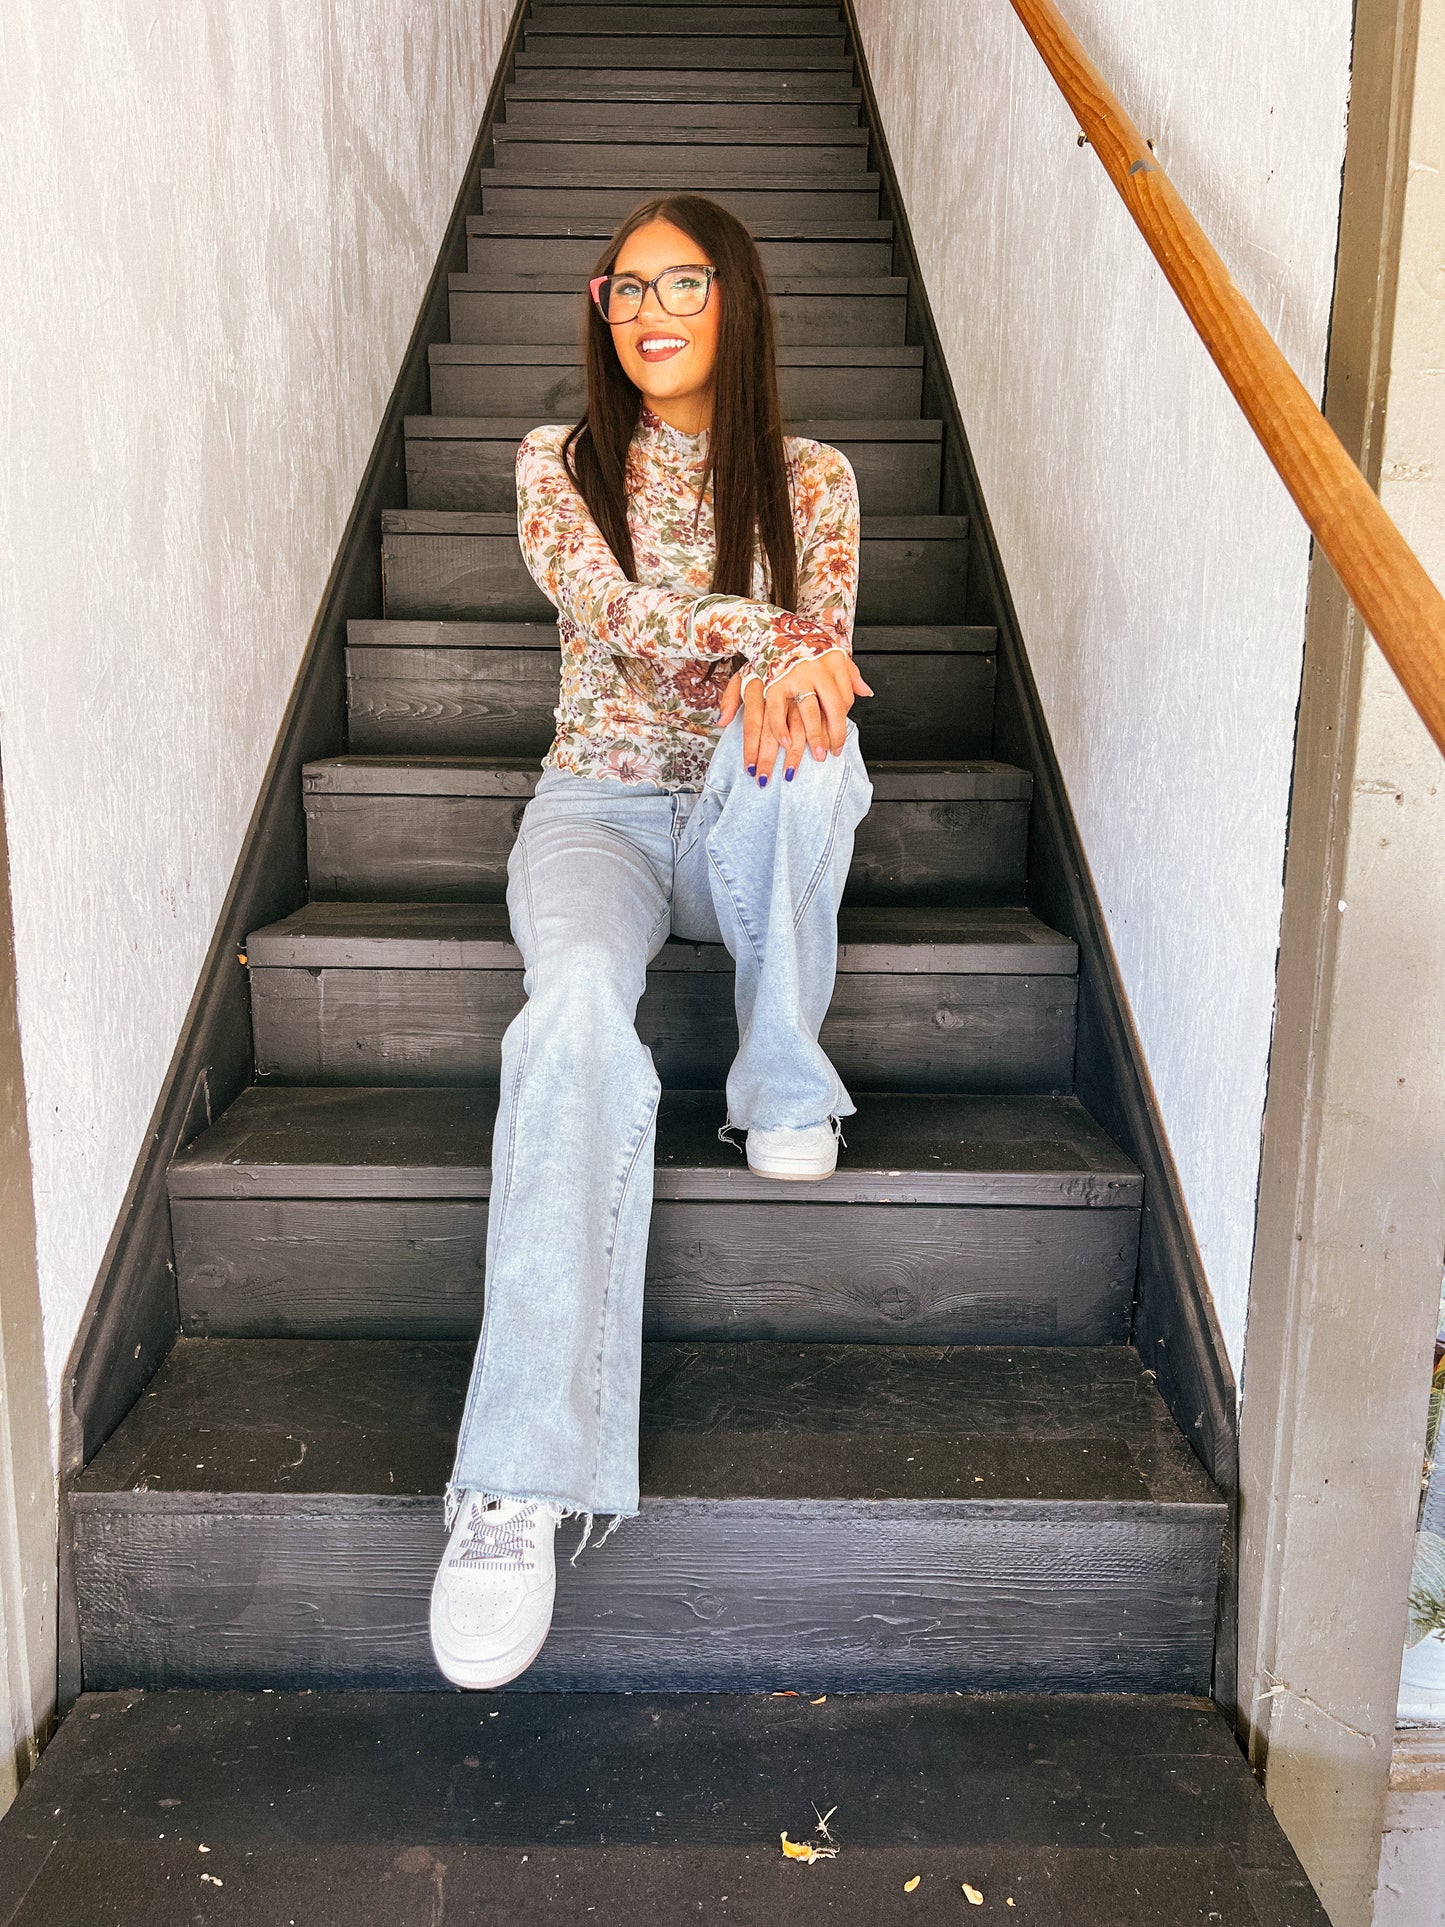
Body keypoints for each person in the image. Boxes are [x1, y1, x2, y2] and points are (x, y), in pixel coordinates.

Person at [428, 193, 873, 1690]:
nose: (650, 307)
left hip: (739, 807)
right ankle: (516, 1485)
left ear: (737, 303)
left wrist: (793, 668)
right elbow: (612, 614)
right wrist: (780, 639)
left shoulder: (814, 477)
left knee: (815, 748)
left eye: (685, 282)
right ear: (601, 311)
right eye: (627, 287)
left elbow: (817, 676)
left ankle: (779, 1072)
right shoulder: (556, 465)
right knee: (564, 1017)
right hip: (598, 814)